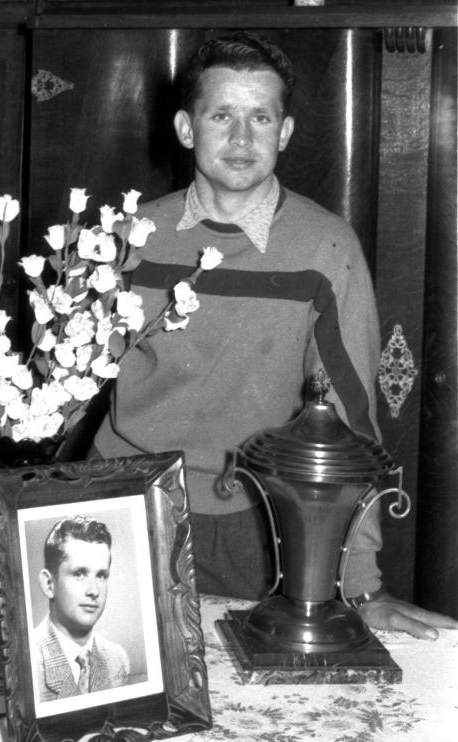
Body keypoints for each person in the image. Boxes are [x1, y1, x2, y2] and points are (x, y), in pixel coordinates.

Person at [93, 32, 458, 641]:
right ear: (186, 128)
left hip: (259, 525)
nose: (242, 139)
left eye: (260, 117)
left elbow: (351, 420)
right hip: (127, 507)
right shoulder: (127, 238)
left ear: (284, 132)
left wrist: (362, 582)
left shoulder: (324, 248)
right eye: (222, 116)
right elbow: (67, 388)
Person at [31, 516, 130, 701]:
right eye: (79, 574)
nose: (93, 591)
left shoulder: (118, 660)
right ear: (49, 584)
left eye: (101, 575)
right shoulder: (28, 662)